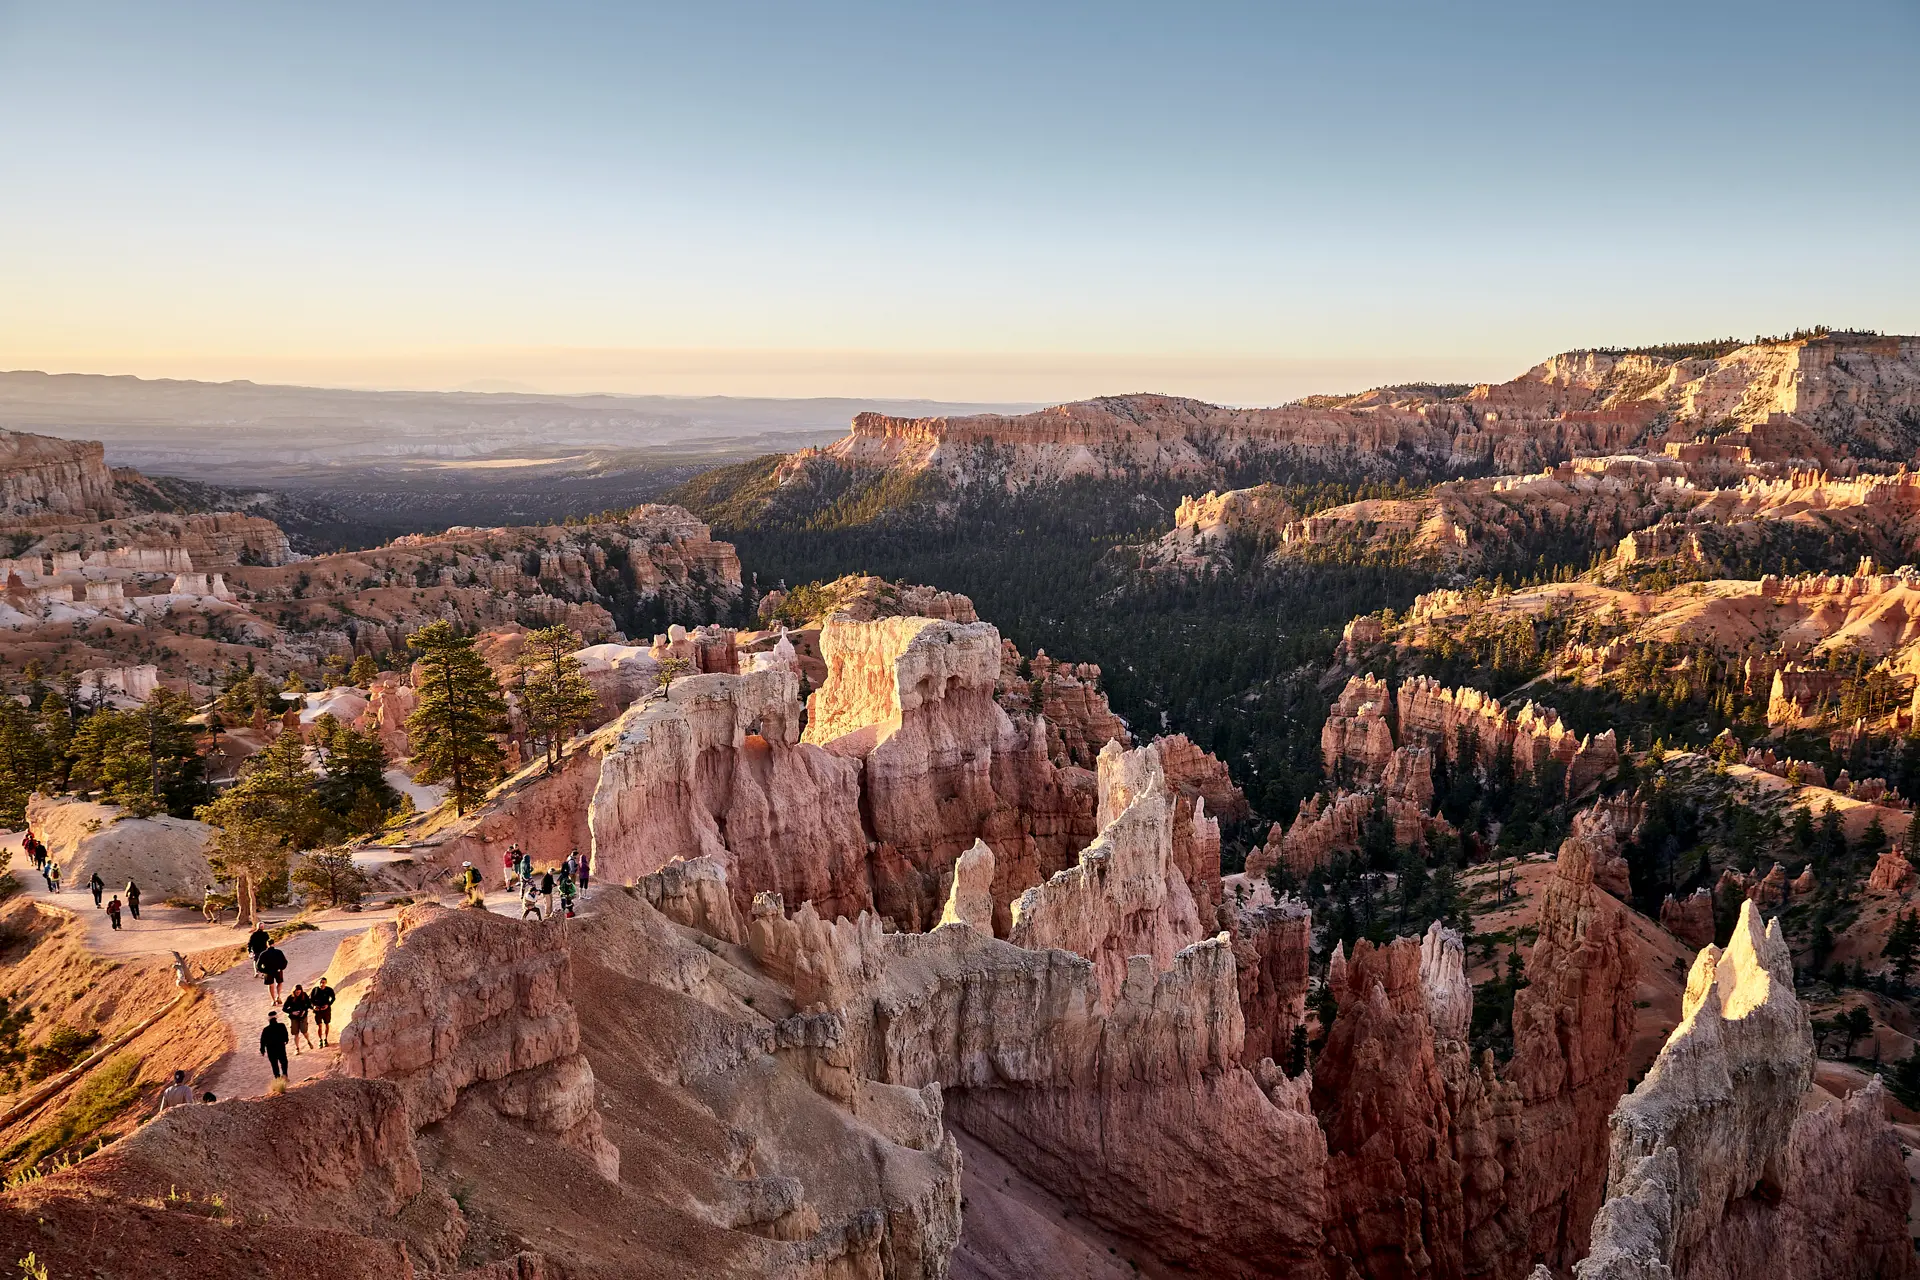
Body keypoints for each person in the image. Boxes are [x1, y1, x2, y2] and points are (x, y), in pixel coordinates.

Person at [282, 984, 315, 1054]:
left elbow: (309, 1004)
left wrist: (306, 1010)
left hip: (303, 1017)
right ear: (294, 991)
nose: (298, 993)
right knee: (296, 1034)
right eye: (296, 992)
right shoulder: (290, 998)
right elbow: (284, 1008)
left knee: (304, 1032)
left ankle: (308, 1041)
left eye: (299, 992)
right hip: (294, 1018)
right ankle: (297, 1048)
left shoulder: (304, 995)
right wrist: (292, 1012)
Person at [259, 1010, 290, 1081]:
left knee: (274, 1064)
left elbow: (262, 1040)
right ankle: (285, 1075)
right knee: (283, 1061)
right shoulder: (281, 1026)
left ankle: (277, 1077)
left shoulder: (266, 1029)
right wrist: (286, 1040)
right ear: (276, 1018)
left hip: (270, 1049)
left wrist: (262, 1049)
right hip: (280, 1047)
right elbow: (286, 1035)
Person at [308, 976, 336, 1047]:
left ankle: (326, 1039)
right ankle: (320, 1040)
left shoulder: (329, 990)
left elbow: (333, 998)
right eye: (321, 982)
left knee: (327, 1024)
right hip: (318, 1010)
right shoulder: (315, 989)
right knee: (319, 1026)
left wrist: (328, 1005)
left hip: (326, 1010)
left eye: (323, 982)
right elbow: (310, 999)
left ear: (325, 983)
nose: (322, 984)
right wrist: (313, 1006)